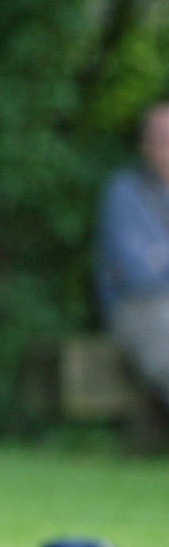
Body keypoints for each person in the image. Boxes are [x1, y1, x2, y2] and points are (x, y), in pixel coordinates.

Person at [97, 100, 169, 410]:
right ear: (143, 143)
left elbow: (153, 261)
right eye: (157, 137)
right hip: (139, 306)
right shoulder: (123, 192)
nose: (162, 146)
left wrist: (160, 254)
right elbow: (137, 272)